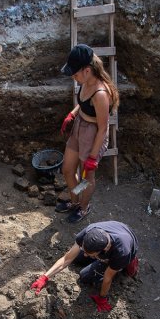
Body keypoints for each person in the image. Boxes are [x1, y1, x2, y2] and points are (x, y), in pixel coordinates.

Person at [56, 44, 120, 223]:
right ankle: (75, 201)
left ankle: (84, 208)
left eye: (75, 74)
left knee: (87, 177)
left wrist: (92, 157)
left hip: (93, 136)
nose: (74, 78)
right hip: (79, 127)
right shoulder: (85, 82)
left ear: (87, 70)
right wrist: (73, 114)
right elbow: (83, 103)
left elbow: (103, 127)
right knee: (68, 169)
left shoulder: (101, 94)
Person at [30, 221, 138, 312]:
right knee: (76, 258)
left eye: (89, 254)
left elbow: (107, 278)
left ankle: (128, 263)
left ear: (103, 250)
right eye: (84, 250)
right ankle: (95, 259)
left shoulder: (121, 252)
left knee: (85, 276)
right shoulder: (88, 232)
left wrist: (102, 297)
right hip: (116, 229)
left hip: (126, 245)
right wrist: (44, 277)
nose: (85, 254)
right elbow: (67, 258)